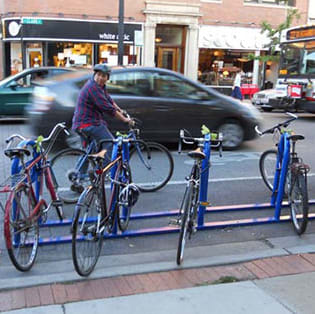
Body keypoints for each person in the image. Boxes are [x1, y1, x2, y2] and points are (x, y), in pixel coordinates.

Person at [72, 63, 133, 164]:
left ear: (107, 78)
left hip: (82, 123)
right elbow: (108, 109)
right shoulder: (93, 88)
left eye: (103, 76)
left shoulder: (98, 86)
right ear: (94, 75)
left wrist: (120, 110)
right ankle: (106, 174)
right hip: (88, 123)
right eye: (98, 75)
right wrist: (125, 119)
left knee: (90, 150)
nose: (100, 78)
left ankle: (79, 175)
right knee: (110, 143)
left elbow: (109, 100)